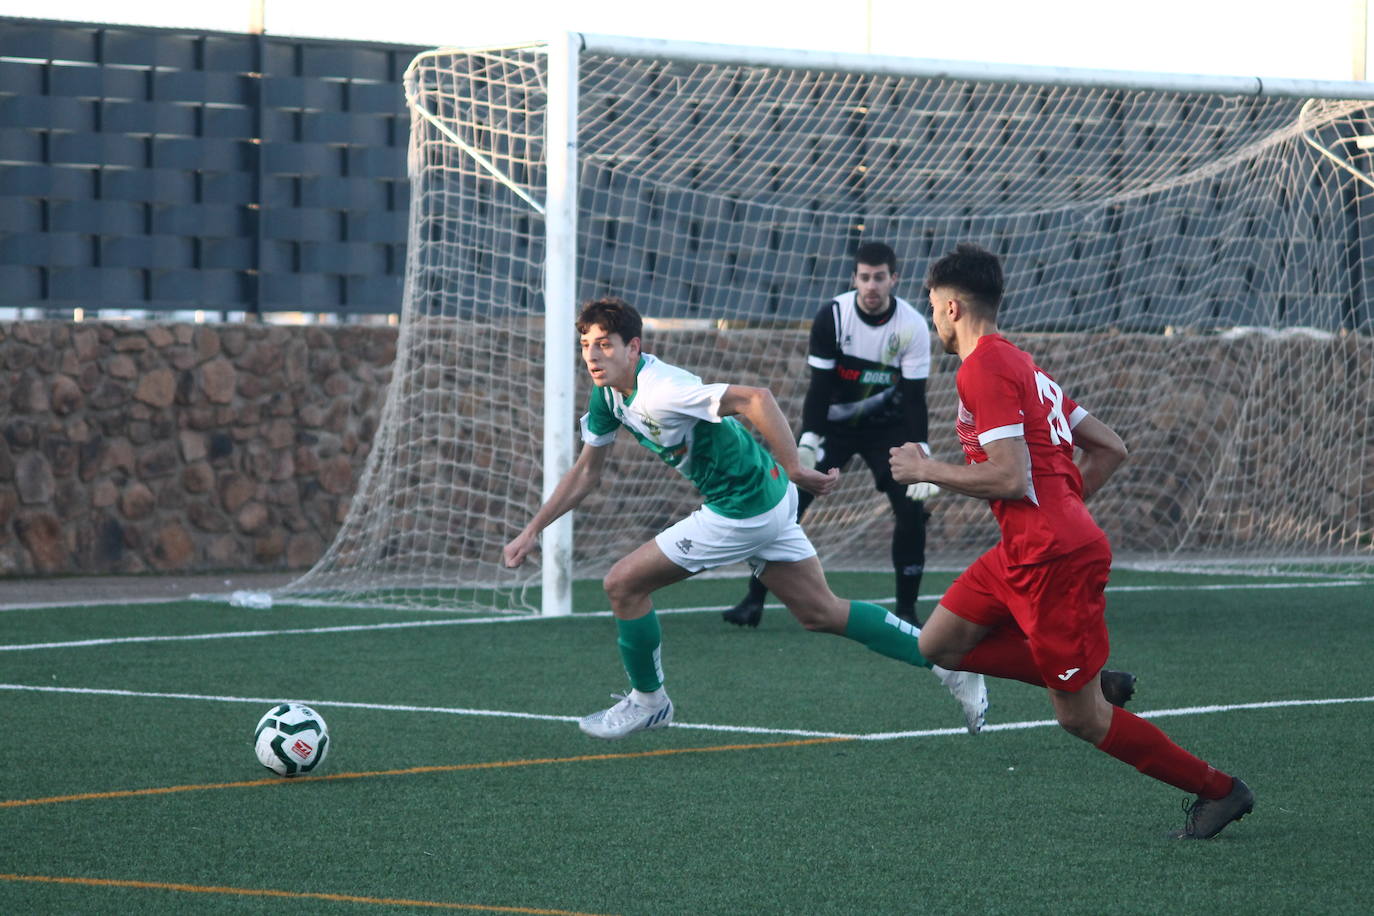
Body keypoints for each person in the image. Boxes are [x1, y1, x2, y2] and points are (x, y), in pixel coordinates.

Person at [888, 243, 1253, 839]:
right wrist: (1064, 510)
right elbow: (1111, 446)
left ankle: (1220, 790)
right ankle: (1090, 676)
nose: (931, 320)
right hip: (1027, 548)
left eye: (931, 307)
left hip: (1050, 556)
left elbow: (1010, 476)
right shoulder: (1023, 366)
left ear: (952, 307)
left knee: (1080, 720)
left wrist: (927, 469)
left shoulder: (983, 368)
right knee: (938, 643)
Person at [503, 296, 988, 738]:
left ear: (634, 348)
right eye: (586, 345)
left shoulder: (661, 389)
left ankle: (649, 701)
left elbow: (757, 398)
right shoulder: (608, 394)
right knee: (821, 612)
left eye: (604, 345)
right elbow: (587, 471)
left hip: (743, 508)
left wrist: (797, 466)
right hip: (767, 497)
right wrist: (533, 529)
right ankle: (949, 662)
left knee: (622, 585)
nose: (592, 356)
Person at [723, 242, 937, 628]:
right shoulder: (833, 317)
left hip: (886, 431)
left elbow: (913, 399)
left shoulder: (912, 325)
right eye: (865, 277)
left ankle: (907, 611)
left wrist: (920, 451)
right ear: (854, 278)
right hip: (834, 429)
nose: (872, 286)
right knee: (786, 505)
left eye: (880, 277)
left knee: (911, 510)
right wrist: (808, 442)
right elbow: (819, 389)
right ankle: (753, 601)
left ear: (894, 279)